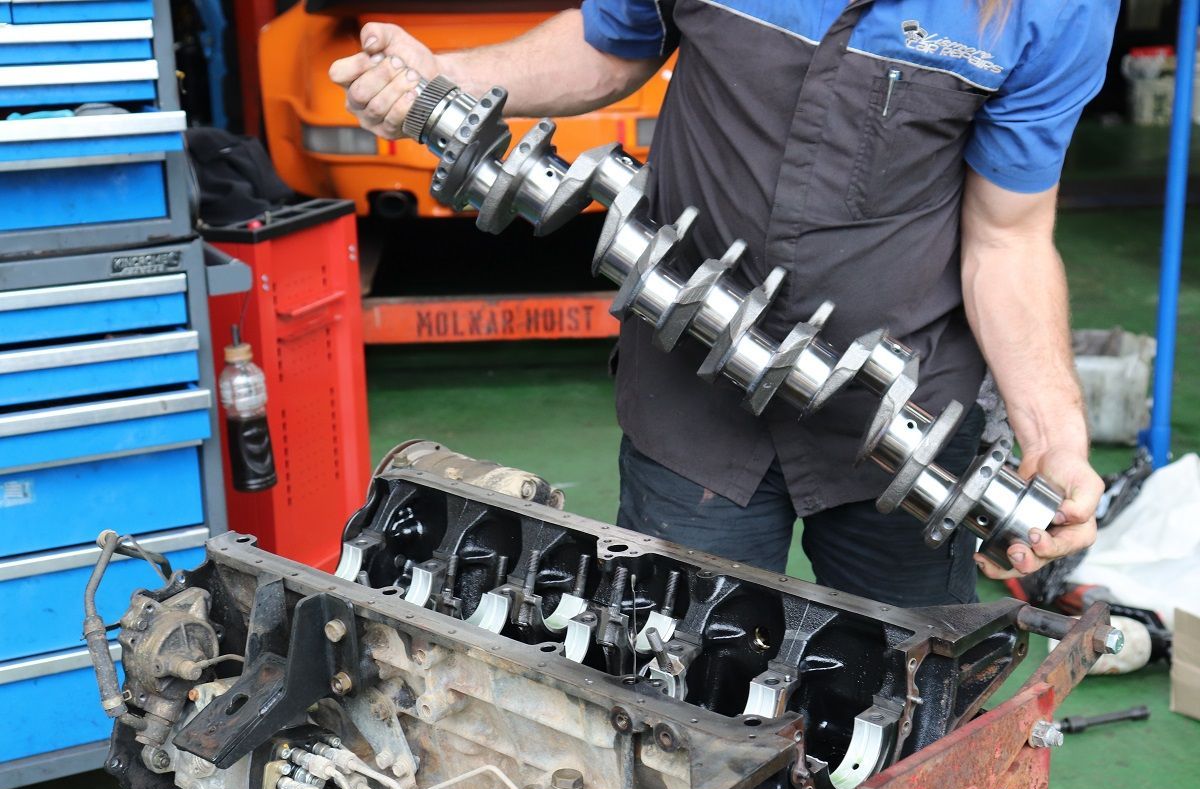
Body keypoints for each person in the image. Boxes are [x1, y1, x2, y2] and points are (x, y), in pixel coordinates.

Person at [330, 0, 1118, 607]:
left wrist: (1055, 434)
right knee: (677, 697)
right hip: (692, 399)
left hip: (902, 418)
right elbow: (611, 45)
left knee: (903, 708)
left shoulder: (1046, 9)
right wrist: (448, 81)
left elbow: (1006, 237)